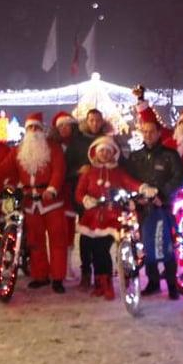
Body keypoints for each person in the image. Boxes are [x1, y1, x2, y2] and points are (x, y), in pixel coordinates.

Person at [0, 112, 68, 293]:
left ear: (42, 129)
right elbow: (3, 169)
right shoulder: (18, 150)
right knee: (35, 241)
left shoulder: (53, 148)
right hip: (30, 203)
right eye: (30, 128)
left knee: (57, 240)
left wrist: (52, 189)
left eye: (37, 127)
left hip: (51, 202)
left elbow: (58, 171)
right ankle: (40, 275)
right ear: (26, 130)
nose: (34, 131)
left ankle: (58, 278)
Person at [75, 136, 149, 300]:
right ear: (96, 153)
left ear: (113, 153)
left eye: (108, 151)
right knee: (93, 250)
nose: (105, 154)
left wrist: (143, 187)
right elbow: (79, 192)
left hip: (112, 216)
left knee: (102, 249)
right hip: (92, 217)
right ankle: (99, 283)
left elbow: (130, 183)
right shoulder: (88, 173)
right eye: (102, 151)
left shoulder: (118, 172)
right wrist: (86, 199)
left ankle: (107, 283)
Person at [125, 108, 183, 299]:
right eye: (145, 131)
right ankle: (153, 282)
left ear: (159, 133)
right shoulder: (135, 157)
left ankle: (171, 283)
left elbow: (179, 178)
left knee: (166, 246)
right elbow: (129, 179)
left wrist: (163, 194)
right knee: (147, 246)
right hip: (143, 209)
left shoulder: (170, 155)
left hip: (163, 207)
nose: (148, 135)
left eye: (152, 131)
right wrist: (135, 197)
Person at [66, 108, 115, 289]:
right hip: (83, 194)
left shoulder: (109, 139)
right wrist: (78, 171)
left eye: (97, 120)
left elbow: (120, 163)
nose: (95, 123)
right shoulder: (77, 142)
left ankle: (103, 273)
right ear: (87, 121)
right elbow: (66, 166)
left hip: (105, 196)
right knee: (86, 236)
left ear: (102, 121)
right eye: (91, 120)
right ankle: (86, 272)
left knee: (103, 237)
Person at [49, 111, 82, 282]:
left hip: (72, 192)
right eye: (60, 126)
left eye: (66, 125)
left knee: (69, 230)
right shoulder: (51, 145)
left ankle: (67, 265)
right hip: (55, 193)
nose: (63, 129)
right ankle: (55, 267)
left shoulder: (78, 144)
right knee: (56, 232)